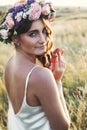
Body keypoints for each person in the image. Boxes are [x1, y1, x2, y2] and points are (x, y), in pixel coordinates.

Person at [0, 0, 70, 130]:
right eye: (33, 34)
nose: (43, 40)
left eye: (44, 31)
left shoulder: (10, 64)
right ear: (15, 38)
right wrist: (57, 82)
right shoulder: (41, 76)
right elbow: (62, 127)